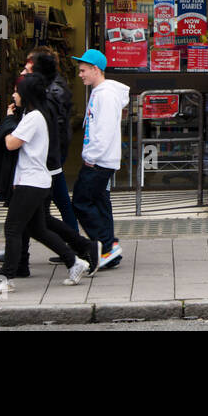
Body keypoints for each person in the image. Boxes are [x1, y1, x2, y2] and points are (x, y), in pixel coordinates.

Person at [0, 73, 91, 295]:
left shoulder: (33, 118)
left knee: (12, 228)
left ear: (26, 94)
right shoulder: (34, 115)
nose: (13, 94)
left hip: (30, 182)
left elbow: (11, 143)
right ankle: (74, 262)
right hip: (36, 181)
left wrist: (9, 119)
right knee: (38, 229)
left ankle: (5, 277)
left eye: (16, 91)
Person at [72, 48, 130, 270]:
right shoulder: (100, 92)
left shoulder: (105, 95)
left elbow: (103, 131)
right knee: (100, 203)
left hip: (98, 162)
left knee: (80, 201)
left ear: (96, 69)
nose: (80, 75)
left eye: (83, 70)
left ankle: (106, 246)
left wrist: (91, 158)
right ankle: (110, 248)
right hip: (102, 160)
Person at [29, 47, 77, 233]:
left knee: (57, 200)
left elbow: (53, 126)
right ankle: (73, 244)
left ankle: (75, 245)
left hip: (50, 154)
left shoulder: (53, 90)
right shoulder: (51, 86)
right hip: (52, 154)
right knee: (53, 201)